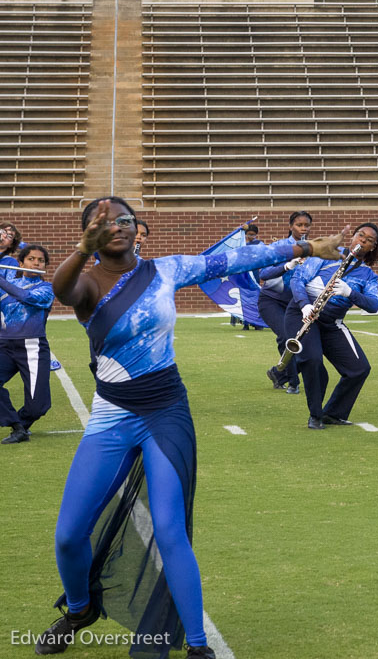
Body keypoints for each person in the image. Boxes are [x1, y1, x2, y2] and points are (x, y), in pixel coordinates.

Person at [41, 196, 344, 657]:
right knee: (67, 535)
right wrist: (82, 250)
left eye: (124, 219)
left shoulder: (166, 269)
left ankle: (198, 646)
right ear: (89, 233)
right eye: (103, 223)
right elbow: (62, 293)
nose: (116, 227)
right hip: (111, 416)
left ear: (136, 227)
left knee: (170, 530)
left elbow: (234, 257)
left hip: (166, 412)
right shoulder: (83, 283)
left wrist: (303, 247)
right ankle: (80, 609)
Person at [287, 224, 378, 429]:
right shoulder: (329, 256)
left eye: (369, 240)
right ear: (353, 237)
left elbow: (374, 305)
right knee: (313, 361)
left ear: (373, 247)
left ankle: (334, 413)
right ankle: (315, 414)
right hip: (303, 314)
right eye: (360, 235)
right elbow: (297, 279)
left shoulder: (367, 275)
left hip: (331, 322)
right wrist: (305, 305)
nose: (362, 241)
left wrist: (350, 293)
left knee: (359, 369)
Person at [0, 244, 54, 444]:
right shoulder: (6, 285)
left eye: (40, 260)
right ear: (21, 263)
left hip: (32, 346)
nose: (36, 263)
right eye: (31, 259)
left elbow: (26, 297)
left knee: (37, 407)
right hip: (4, 346)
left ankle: (21, 424)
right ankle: (16, 427)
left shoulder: (46, 288)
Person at [262, 211, 313, 394]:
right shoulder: (279, 246)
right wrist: (286, 266)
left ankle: (278, 373)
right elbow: (263, 274)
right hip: (271, 300)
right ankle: (293, 382)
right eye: (299, 225)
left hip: (296, 302)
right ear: (291, 226)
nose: (303, 228)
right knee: (286, 337)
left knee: (306, 341)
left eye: (307, 225)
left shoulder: (313, 249)